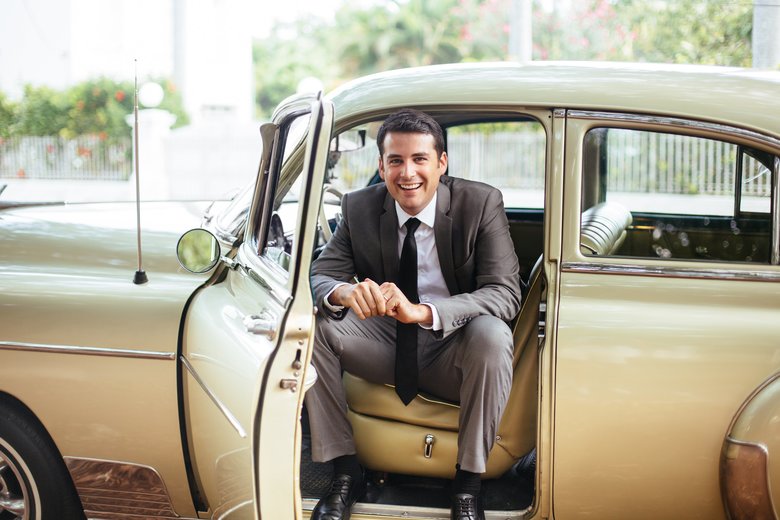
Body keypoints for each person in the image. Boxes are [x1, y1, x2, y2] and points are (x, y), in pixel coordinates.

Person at [306, 108, 522, 520]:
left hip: (456, 347)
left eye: (420, 159)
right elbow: (321, 274)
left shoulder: (481, 203)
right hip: (385, 343)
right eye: (396, 160)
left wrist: (424, 311)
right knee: (314, 327)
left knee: (493, 336)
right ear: (381, 165)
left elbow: (504, 294)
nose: (408, 173)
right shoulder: (358, 207)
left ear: (441, 162)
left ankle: (468, 485)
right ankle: (346, 473)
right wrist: (345, 292)